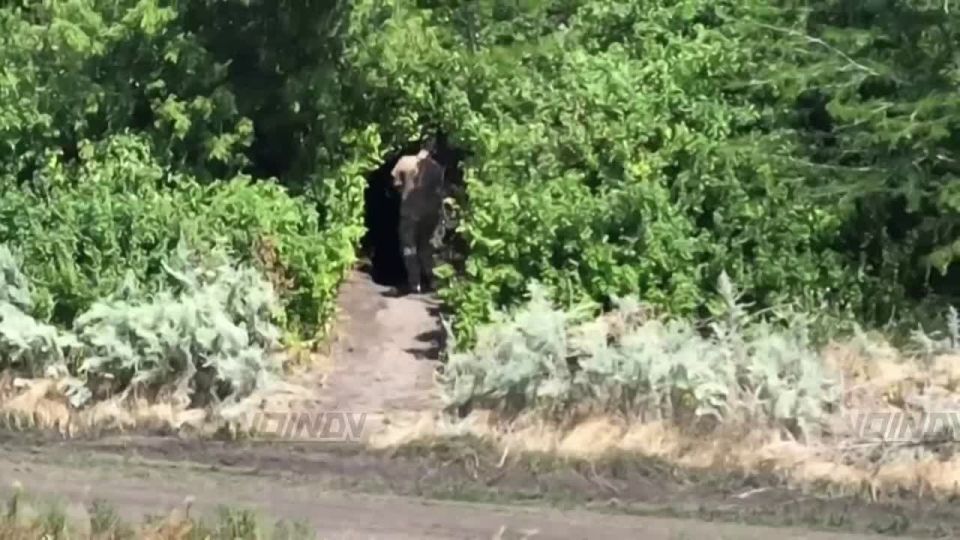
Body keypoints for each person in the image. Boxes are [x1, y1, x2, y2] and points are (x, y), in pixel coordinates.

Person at [390, 143, 445, 295]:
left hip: (409, 211)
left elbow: (397, 185)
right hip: (430, 213)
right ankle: (434, 281)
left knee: (409, 246)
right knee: (426, 246)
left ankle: (415, 283)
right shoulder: (437, 169)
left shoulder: (404, 162)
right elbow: (438, 191)